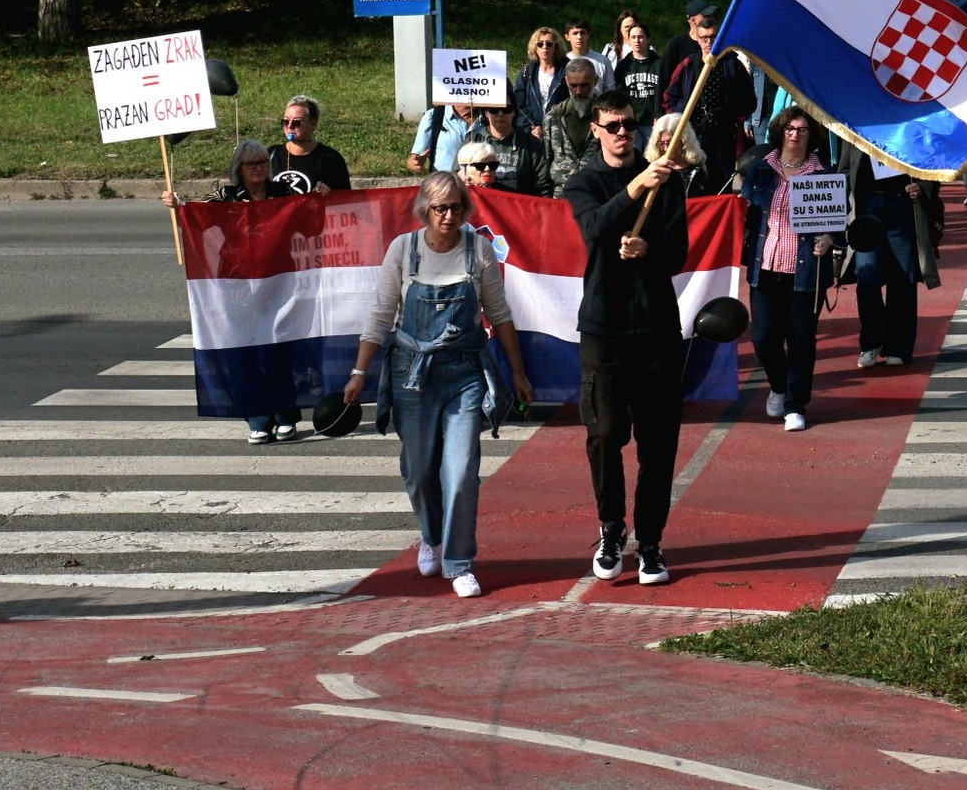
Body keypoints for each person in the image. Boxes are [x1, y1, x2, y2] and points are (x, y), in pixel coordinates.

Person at [340, 171, 533, 599]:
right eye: (439, 208)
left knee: (462, 470)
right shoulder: (402, 250)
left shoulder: (478, 250)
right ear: (424, 210)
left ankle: (459, 561)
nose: (448, 216)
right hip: (412, 374)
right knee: (419, 469)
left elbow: (499, 315)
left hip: (465, 372)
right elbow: (380, 314)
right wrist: (359, 372)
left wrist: (517, 373)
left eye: (456, 208)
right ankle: (430, 535)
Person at [561, 90, 693, 588]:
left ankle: (651, 542)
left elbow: (678, 253)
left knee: (658, 445)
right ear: (595, 130)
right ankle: (611, 529)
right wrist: (637, 185)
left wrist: (649, 249)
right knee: (604, 435)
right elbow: (595, 227)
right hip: (604, 329)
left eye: (629, 124)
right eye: (612, 125)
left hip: (657, 328)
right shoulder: (583, 182)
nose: (622, 132)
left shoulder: (668, 183)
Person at [163, 139, 301, 444]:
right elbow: (197, 218)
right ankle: (257, 418)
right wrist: (177, 207)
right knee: (248, 347)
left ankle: (285, 415)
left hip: (279, 280)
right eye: (251, 163)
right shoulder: (225, 196)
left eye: (263, 162)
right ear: (239, 168)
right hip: (236, 283)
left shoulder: (284, 192)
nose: (258, 168)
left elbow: (311, 223)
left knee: (280, 346)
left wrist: (321, 197)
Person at [741, 105, 837, 432]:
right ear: (780, 132)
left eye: (802, 130)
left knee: (801, 340)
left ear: (812, 136)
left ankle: (796, 405)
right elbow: (745, 214)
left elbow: (836, 224)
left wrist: (828, 239)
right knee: (764, 338)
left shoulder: (825, 174)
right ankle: (779, 386)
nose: (795, 135)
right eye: (790, 129)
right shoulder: (760, 169)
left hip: (805, 271)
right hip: (765, 267)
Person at [842, 147, 941, 368]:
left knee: (903, 278)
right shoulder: (855, 122)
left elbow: (933, 159)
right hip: (866, 207)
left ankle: (899, 347)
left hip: (903, 205)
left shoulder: (911, 117)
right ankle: (870, 343)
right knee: (866, 277)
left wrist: (923, 186)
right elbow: (845, 170)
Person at [663, 8, 755, 189]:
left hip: (723, 136)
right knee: (695, 183)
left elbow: (749, 101)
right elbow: (668, 97)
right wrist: (681, 120)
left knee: (721, 183)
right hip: (693, 135)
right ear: (697, 39)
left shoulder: (732, 65)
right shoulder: (688, 66)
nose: (709, 42)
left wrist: (732, 116)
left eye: (713, 37)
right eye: (704, 38)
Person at [463, 100, 550, 195]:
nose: (500, 114)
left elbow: (544, 184)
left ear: (514, 112)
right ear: (486, 112)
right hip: (483, 205)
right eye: (494, 109)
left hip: (520, 206)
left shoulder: (529, 142)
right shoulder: (473, 139)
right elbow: (458, 175)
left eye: (506, 109)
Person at [271, 96, 351, 195]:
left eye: (296, 122)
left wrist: (329, 193)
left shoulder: (330, 159)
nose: (290, 126)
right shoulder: (270, 155)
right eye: (285, 122)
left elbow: (344, 201)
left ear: (313, 123)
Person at [546, 57, 602, 188]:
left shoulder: (607, 117)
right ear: (566, 81)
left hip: (596, 189)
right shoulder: (553, 117)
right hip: (561, 192)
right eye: (573, 86)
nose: (578, 91)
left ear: (595, 81)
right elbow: (546, 160)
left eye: (584, 85)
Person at [515, 28, 566, 142]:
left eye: (549, 44)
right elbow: (519, 104)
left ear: (556, 46)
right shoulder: (526, 72)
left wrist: (549, 129)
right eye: (540, 44)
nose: (544, 47)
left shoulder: (567, 70)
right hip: (532, 134)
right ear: (534, 47)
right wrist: (531, 128)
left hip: (561, 135)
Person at [407, 102, 480, 176]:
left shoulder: (489, 116)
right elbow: (414, 161)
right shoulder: (435, 115)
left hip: (481, 186)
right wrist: (416, 164)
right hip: (444, 185)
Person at [616, 21, 663, 128]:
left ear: (648, 39)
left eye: (640, 37)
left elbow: (665, 92)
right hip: (631, 122)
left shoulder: (660, 63)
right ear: (628, 40)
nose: (637, 41)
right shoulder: (623, 66)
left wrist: (660, 116)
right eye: (633, 37)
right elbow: (619, 94)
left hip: (654, 122)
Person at [563, 19, 617, 92]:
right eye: (575, 33)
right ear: (567, 37)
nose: (579, 37)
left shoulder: (603, 61)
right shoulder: (563, 62)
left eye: (582, 33)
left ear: (588, 35)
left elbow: (610, 90)